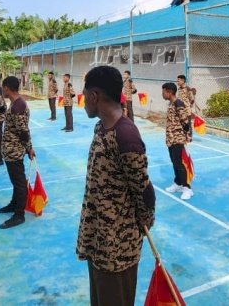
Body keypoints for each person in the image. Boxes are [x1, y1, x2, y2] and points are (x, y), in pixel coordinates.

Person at [77, 66, 155, 306]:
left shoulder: (126, 135)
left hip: (117, 249)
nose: (83, 101)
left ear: (94, 96)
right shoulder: (101, 127)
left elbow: (145, 193)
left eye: (84, 94)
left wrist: (138, 227)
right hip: (97, 238)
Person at [0, 76, 35, 229]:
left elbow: (23, 132)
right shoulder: (15, 103)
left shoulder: (18, 105)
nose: (1, 90)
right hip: (11, 149)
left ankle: (19, 214)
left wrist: (29, 148)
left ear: (6, 88)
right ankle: (14, 204)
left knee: (19, 183)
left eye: (2, 88)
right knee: (16, 181)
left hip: (15, 151)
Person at [162, 82, 193, 200]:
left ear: (169, 92)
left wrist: (187, 135)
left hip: (178, 139)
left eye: (163, 91)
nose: (162, 94)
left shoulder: (178, 103)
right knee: (175, 163)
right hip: (171, 139)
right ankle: (178, 183)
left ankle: (187, 188)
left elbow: (185, 121)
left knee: (179, 164)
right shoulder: (171, 103)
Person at [176, 75, 196, 140]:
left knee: (188, 124)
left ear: (183, 80)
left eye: (178, 81)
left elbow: (192, 99)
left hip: (186, 110)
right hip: (180, 110)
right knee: (181, 123)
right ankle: (183, 136)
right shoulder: (179, 89)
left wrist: (188, 106)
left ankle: (189, 137)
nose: (177, 82)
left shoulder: (188, 89)